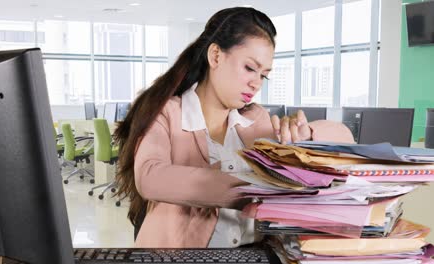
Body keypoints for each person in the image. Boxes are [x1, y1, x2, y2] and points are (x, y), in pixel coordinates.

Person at [114, 7, 354, 248]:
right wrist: (248, 182)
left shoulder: (254, 119)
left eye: (264, 75)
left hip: (253, 253)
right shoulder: (168, 113)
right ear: (216, 56)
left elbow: (347, 140)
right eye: (250, 68)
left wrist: (308, 135)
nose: (256, 83)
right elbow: (150, 177)